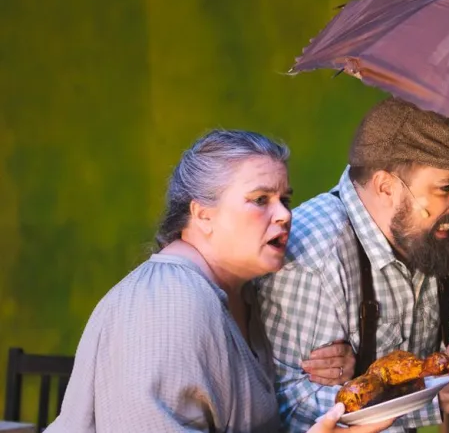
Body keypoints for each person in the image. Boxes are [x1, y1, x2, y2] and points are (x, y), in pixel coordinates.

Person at [45, 129, 392, 433]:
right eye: (260, 200)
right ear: (202, 214)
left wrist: (339, 365)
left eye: (285, 200)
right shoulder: (166, 302)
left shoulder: (246, 297)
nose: (285, 215)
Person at [260, 97, 449, 432]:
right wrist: (430, 399)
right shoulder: (315, 256)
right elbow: (291, 408)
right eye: (445, 188)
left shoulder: (448, 234)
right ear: (386, 187)